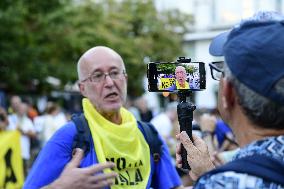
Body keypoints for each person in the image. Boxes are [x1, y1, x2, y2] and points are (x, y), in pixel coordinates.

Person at [24, 46, 182, 189]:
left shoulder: (148, 135)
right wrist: (59, 187)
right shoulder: (69, 137)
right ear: (82, 88)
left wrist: (203, 173)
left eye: (114, 73)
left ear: (125, 80)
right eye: (97, 76)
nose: (109, 83)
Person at [176, 11, 284, 188]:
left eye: (221, 70)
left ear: (228, 93)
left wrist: (210, 180)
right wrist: (208, 172)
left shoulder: (223, 183)